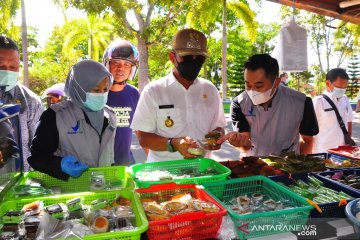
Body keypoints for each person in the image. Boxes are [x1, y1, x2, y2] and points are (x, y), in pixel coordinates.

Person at [131, 29, 226, 162]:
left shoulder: (210, 90)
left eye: (199, 58)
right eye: (186, 57)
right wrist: (173, 143)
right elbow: (143, 138)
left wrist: (217, 137)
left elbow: (218, 127)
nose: (193, 62)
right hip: (164, 174)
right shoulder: (154, 91)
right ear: (172, 57)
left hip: (203, 170)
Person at [28, 60, 116, 180]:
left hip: (103, 189)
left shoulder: (110, 114)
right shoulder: (55, 116)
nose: (101, 94)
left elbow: (109, 154)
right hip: (67, 191)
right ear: (79, 89)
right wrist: (59, 165)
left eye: (105, 90)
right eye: (96, 90)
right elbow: (37, 158)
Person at [218, 54, 319, 156]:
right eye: (248, 85)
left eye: (259, 85)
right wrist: (237, 142)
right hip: (253, 164)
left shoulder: (301, 103)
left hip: (287, 165)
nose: (252, 91)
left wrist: (301, 167)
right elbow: (245, 146)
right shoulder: (239, 103)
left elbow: (308, 140)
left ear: (276, 82)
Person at [0, 36, 43, 171]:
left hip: (21, 185)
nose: (8, 71)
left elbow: (39, 149)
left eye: (13, 67)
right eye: (1, 66)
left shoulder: (31, 102)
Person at [103, 40, 140, 166]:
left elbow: (141, 130)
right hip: (99, 165)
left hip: (126, 163)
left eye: (126, 65)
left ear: (132, 69)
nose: (120, 69)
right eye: (116, 63)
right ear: (108, 65)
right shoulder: (96, 93)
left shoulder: (134, 94)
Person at [312, 68, 354, 153]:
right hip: (323, 151)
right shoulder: (318, 102)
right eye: (339, 87)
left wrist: (348, 140)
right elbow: (309, 130)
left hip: (343, 151)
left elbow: (349, 121)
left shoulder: (345, 100)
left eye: (344, 87)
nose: (342, 90)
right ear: (328, 83)